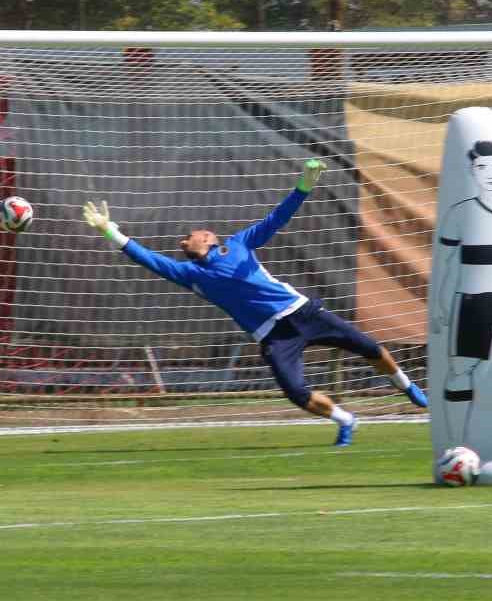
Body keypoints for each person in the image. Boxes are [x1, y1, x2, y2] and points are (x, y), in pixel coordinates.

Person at [82, 159, 427, 445]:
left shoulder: (239, 243)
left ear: (208, 237)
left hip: (301, 312)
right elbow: (148, 259)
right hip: (273, 337)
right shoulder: (189, 273)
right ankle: (345, 420)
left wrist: (304, 185)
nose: (182, 240)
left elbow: (277, 218)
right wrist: (110, 231)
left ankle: (407, 387)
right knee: (296, 393)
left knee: (369, 348)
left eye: (189, 235)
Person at [429, 140, 492, 445]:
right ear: (472, 172)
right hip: (474, 302)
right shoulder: (459, 214)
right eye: (482, 166)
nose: (489, 173)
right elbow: (446, 263)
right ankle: (457, 446)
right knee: (460, 369)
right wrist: (440, 304)